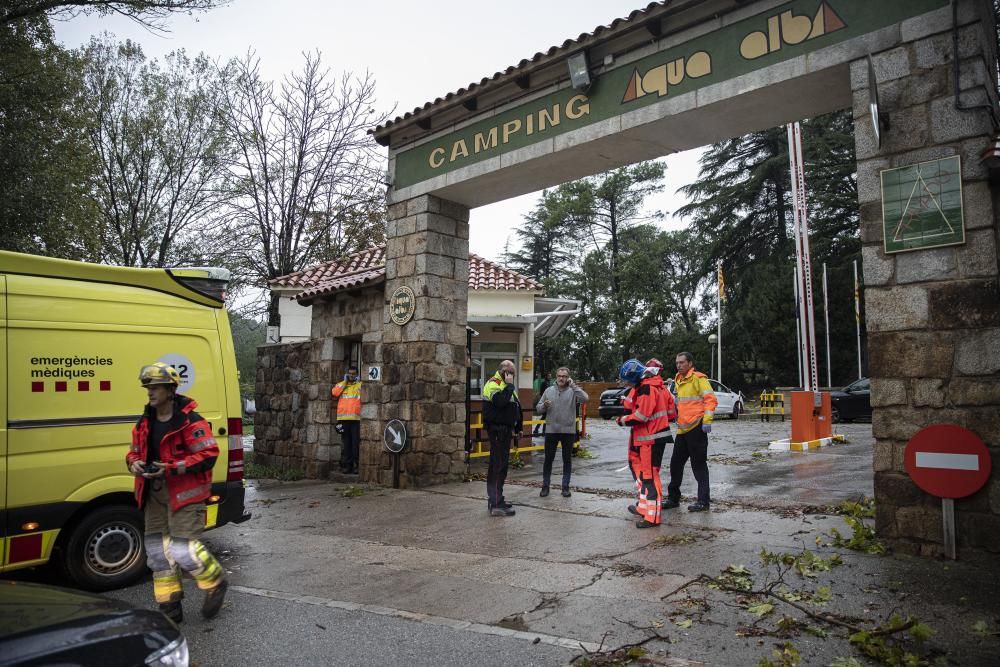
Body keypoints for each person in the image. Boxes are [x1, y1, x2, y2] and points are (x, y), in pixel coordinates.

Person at [126, 362, 227, 623]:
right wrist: (134, 461)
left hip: (186, 495)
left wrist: (171, 468)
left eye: (155, 387)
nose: (149, 392)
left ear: (170, 390)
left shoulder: (190, 421)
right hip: (154, 494)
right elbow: (133, 450)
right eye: (147, 387)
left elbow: (209, 454)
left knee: (183, 549)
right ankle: (170, 605)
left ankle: (214, 582)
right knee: (159, 552)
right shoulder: (145, 421)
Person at [616, 359, 673, 528]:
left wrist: (622, 420)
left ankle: (653, 517)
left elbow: (642, 416)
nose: (626, 383)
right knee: (644, 476)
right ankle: (644, 508)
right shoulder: (650, 385)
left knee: (650, 477)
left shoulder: (647, 388)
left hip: (650, 439)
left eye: (627, 380)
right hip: (649, 437)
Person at [665, 352, 718, 512]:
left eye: (682, 362)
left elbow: (710, 399)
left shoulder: (698, 379)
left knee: (699, 466)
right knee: (675, 465)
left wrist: (707, 421)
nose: (679, 365)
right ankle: (673, 499)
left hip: (697, 428)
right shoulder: (678, 379)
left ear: (690, 363)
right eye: (677, 363)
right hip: (682, 429)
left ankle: (703, 501)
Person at [535, 367, 588, 497]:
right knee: (548, 459)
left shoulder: (572, 391)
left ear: (568, 377)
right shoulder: (548, 390)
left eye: (564, 376)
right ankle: (545, 486)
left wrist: (573, 385)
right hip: (551, 431)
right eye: (559, 376)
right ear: (556, 376)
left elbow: (585, 398)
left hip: (568, 431)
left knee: (567, 460)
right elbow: (538, 409)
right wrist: (544, 406)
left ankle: (565, 487)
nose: (561, 378)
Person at [482, 359, 522, 517]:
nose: (512, 376)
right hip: (497, 430)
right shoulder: (494, 383)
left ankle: (495, 498)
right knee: (498, 467)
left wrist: (518, 427)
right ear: (504, 372)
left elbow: (515, 407)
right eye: (511, 373)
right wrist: (510, 385)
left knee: (498, 466)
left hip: (505, 430)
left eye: (513, 374)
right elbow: (500, 402)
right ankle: (497, 503)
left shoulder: (505, 385)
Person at [332, 365, 362, 474]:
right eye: (350, 373)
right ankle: (348, 466)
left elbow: (365, 393)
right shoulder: (341, 384)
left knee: (355, 444)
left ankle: (356, 466)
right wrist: (344, 382)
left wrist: (358, 383)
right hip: (344, 420)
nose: (351, 375)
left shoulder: (360, 385)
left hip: (356, 420)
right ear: (347, 374)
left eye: (354, 374)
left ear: (357, 375)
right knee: (347, 444)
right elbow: (334, 393)